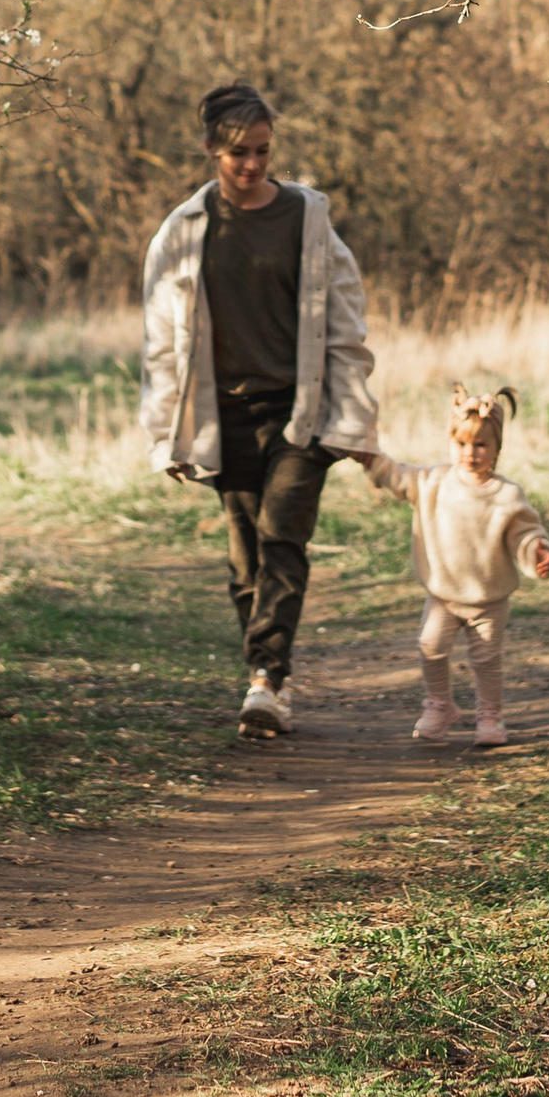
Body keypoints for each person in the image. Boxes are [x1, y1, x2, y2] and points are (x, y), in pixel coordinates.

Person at [140, 82, 378, 736]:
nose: (252, 164)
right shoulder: (183, 231)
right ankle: (267, 671)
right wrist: (164, 432)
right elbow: (161, 343)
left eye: (263, 151)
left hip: (301, 411)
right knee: (246, 560)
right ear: (210, 148)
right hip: (226, 416)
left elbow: (345, 322)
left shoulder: (307, 218)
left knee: (282, 537)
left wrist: (353, 415)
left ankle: (266, 680)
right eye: (239, 152)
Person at [360, 384, 549, 749]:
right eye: (462, 443)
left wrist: (539, 551)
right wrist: (369, 459)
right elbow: (397, 475)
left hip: (489, 599)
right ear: (450, 442)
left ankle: (490, 716)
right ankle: (440, 705)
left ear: (497, 448)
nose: (470, 452)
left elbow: (526, 534)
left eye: (481, 444)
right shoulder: (433, 482)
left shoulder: (507, 495)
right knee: (430, 646)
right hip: (444, 596)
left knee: (486, 659)